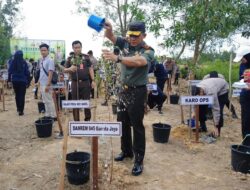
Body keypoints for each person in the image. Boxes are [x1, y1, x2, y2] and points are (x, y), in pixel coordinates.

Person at [102, 21, 154, 176]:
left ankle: (138, 159)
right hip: (123, 90)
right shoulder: (124, 42)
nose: (132, 38)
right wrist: (109, 30)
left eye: (136, 36)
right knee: (122, 121)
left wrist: (118, 59)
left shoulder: (148, 50)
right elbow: (110, 37)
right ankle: (126, 151)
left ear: (144, 35)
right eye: (130, 35)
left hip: (138, 91)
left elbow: (140, 61)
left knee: (137, 125)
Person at [57, 40, 95, 121]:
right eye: (75, 48)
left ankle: (87, 119)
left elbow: (90, 69)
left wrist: (93, 80)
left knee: (86, 102)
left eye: (79, 47)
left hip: (85, 83)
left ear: (81, 47)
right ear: (73, 48)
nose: (77, 49)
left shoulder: (86, 57)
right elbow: (64, 69)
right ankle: (76, 121)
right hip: (75, 83)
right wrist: (69, 69)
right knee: (75, 102)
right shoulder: (70, 59)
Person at [37, 43, 57, 120]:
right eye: (41, 50)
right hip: (42, 83)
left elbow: (50, 73)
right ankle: (48, 114)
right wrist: (38, 81)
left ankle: (53, 116)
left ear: (48, 51)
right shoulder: (42, 60)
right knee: (45, 100)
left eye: (44, 50)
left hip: (47, 83)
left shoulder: (50, 60)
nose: (43, 52)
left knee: (49, 100)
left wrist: (48, 84)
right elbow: (41, 72)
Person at [234, 51, 250, 139]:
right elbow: (241, 78)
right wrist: (243, 81)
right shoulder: (242, 66)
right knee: (246, 120)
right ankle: (246, 140)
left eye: (242, 59)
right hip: (245, 96)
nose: (241, 61)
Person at [8, 50, 30, 116]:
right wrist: (28, 82)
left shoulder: (13, 62)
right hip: (23, 81)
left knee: (17, 95)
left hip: (15, 81)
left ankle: (18, 108)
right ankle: (21, 110)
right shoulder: (24, 62)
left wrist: (9, 80)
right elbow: (27, 73)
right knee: (22, 95)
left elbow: (10, 71)